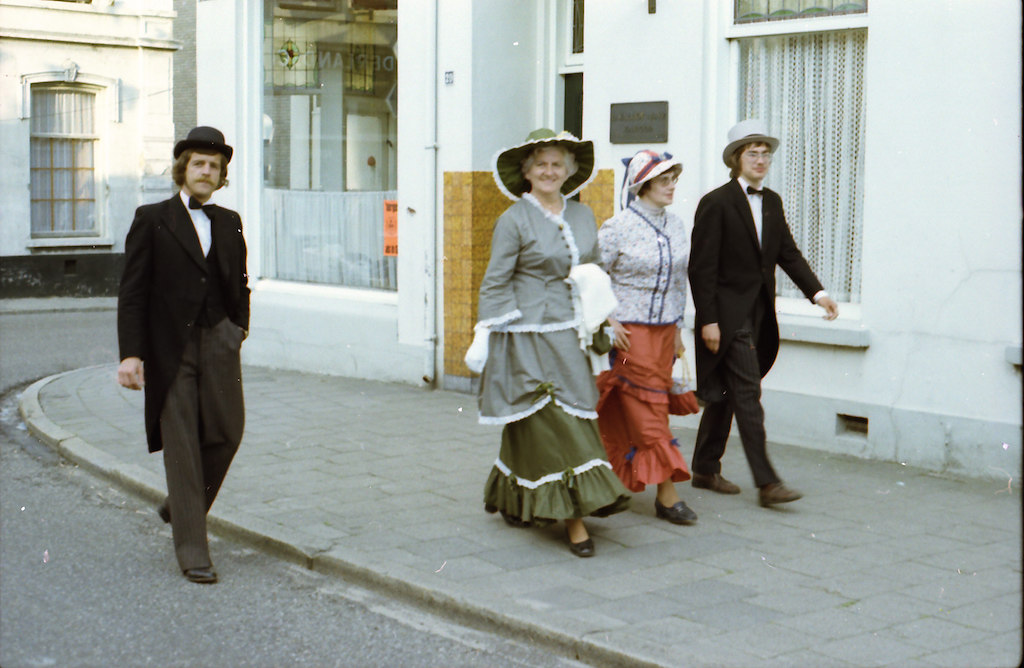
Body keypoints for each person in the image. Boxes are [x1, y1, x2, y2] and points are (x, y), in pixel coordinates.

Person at [468, 128, 630, 558]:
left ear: (570, 171)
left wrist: (606, 313)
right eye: (540, 163)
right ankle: (574, 520)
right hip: (525, 334)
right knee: (548, 420)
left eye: (557, 164)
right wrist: (488, 336)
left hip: (571, 332)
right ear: (526, 171)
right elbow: (495, 281)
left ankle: (507, 492)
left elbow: (592, 270)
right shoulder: (513, 220)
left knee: (566, 414)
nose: (549, 171)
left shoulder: (582, 216)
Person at [117, 126, 250, 583]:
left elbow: (241, 284)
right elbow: (132, 293)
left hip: (219, 341)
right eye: (199, 163)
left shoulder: (229, 222)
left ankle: (181, 506)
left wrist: (238, 330)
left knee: (228, 432)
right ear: (183, 168)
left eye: (215, 166)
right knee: (183, 448)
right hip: (168, 349)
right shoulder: (152, 218)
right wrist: (131, 355)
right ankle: (194, 550)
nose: (207, 171)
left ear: (221, 176)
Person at [688, 119, 839, 507]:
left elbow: (786, 253)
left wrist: (818, 293)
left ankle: (705, 469)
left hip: (758, 317)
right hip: (726, 318)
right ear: (736, 158)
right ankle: (768, 483)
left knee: (724, 395)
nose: (760, 159)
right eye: (752, 152)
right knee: (748, 395)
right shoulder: (716, 202)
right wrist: (708, 320)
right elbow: (701, 268)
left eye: (765, 152)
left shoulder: (771, 201)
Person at [595, 149, 698, 525]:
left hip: (664, 333)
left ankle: (605, 480)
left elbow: (678, 282)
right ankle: (667, 495)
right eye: (663, 180)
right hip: (628, 335)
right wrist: (608, 321)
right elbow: (593, 277)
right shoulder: (617, 226)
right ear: (643, 185)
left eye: (674, 179)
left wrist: (678, 331)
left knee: (632, 409)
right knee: (649, 408)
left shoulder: (676, 225)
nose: (671, 187)